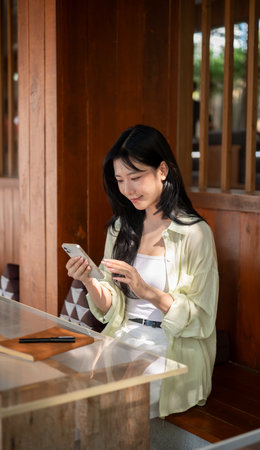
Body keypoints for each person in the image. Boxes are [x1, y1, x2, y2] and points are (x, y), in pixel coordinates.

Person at [66, 124, 219, 418]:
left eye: (135, 177)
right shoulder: (121, 228)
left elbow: (202, 319)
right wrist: (88, 280)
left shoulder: (195, 234)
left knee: (111, 405)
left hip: (173, 348)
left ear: (163, 170)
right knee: (67, 388)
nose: (127, 189)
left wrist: (147, 291)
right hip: (122, 335)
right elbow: (110, 307)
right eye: (120, 180)